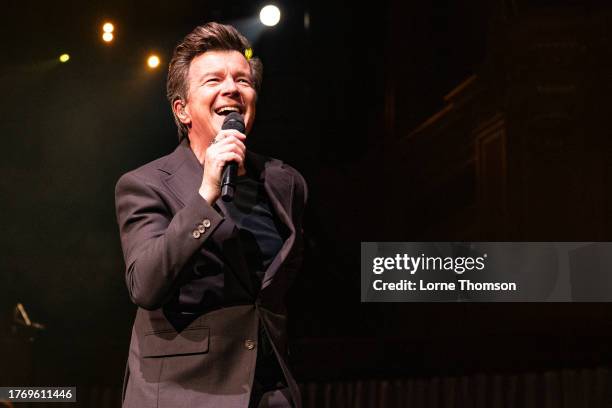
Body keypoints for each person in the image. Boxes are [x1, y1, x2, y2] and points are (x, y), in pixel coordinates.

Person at [114, 22, 307, 408]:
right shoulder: (145, 185)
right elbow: (145, 285)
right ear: (182, 110)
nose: (232, 88)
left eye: (243, 80)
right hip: (182, 392)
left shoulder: (285, 182)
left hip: (268, 389)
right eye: (213, 80)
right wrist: (206, 194)